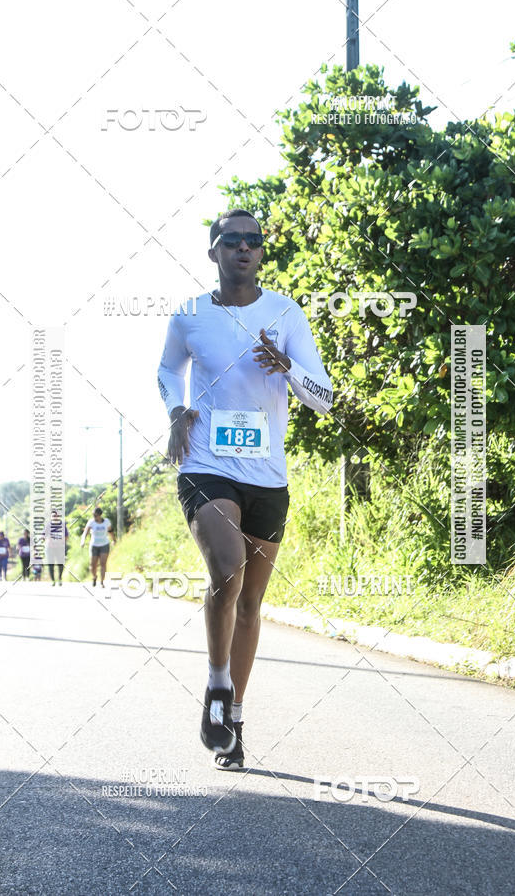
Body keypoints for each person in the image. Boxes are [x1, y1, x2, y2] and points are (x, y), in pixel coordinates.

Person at [157, 209, 333, 770]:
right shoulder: (189, 316)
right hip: (207, 463)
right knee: (227, 570)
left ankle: (232, 717)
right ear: (213, 251)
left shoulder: (286, 313)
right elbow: (167, 369)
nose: (242, 249)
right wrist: (177, 408)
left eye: (252, 242)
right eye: (231, 241)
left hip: (267, 475)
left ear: (261, 252)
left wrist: (287, 367)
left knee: (251, 601)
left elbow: (324, 397)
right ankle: (215, 683)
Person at [80, 507, 116, 587]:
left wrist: (114, 540)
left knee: (103, 563)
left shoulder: (106, 522)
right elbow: (85, 532)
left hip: (104, 544)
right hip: (94, 545)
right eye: (93, 515)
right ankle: (94, 576)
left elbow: (111, 531)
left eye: (96, 515)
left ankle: (102, 581)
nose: (94, 517)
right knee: (93, 565)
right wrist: (82, 541)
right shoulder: (91, 522)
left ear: (100, 515)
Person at [44, 510, 68, 586]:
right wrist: (48, 540)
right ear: (51, 517)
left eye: (56, 516)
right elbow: (43, 535)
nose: (55, 517)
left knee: (60, 564)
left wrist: (61, 541)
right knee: (51, 564)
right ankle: (53, 580)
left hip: (60, 548)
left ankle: (60, 578)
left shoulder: (62, 525)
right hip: (50, 548)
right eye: (53, 516)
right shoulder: (48, 525)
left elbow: (66, 536)